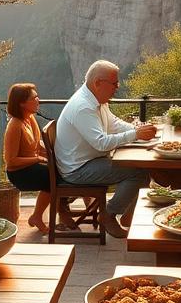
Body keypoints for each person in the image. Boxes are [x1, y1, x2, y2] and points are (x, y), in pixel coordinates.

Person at [55, 60, 157, 239]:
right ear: (97, 83)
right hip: (77, 169)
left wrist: (138, 129)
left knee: (141, 170)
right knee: (138, 173)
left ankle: (128, 216)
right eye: (114, 83)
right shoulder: (84, 107)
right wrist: (135, 134)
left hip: (88, 161)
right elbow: (101, 143)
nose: (117, 87)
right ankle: (108, 215)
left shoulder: (96, 100)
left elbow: (114, 123)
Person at [3, 83, 65, 233]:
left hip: (31, 166)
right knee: (54, 177)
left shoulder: (30, 119)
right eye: (34, 98)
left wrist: (57, 154)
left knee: (63, 169)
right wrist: (38, 159)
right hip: (19, 173)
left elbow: (38, 144)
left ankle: (61, 213)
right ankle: (41, 216)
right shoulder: (15, 126)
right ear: (22, 103)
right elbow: (10, 161)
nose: (38, 100)